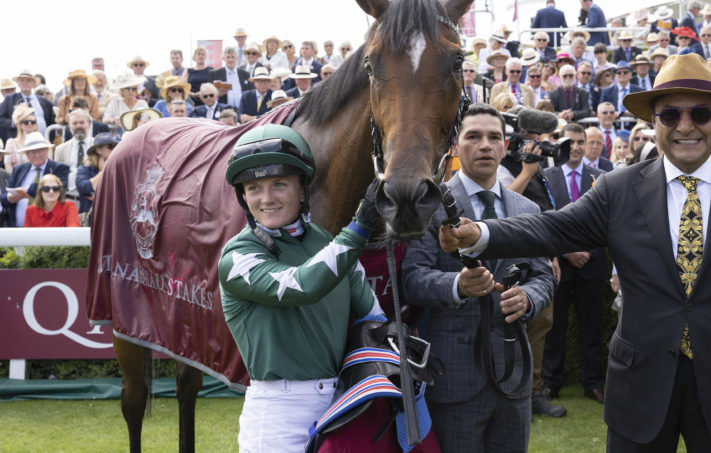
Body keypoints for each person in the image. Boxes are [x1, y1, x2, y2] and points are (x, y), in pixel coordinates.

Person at [438, 54, 711, 452]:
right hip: (642, 385)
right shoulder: (619, 189)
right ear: (653, 120)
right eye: (669, 116)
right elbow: (552, 227)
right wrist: (481, 232)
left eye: (699, 113)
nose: (685, 126)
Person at [218, 124, 384, 451]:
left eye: (279, 184)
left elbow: (373, 317)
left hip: (344, 402)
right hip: (278, 414)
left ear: (303, 189)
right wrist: (360, 226)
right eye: (253, 187)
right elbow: (300, 286)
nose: (266, 199)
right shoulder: (236, 256)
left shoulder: (328, 243)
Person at [401, 104, 554, 452]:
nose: (484, 145)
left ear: (504, 147)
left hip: (514, 374)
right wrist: (457, 286)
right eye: (473, 136)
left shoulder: (528, 210)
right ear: (456, 146)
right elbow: (412, 278)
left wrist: (529, 297)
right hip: (453, 377)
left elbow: (544, 277)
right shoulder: (430, 205)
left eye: (494, 137)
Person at [540, 123, 607, 404]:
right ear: (560, 144)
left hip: (592, 262)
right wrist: (567, 252)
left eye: (581, 142)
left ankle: (592, 383)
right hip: (559, 264)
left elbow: (606, 219)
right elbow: (543, 218)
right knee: (554, 327)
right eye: (571, 142)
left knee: (592, 326)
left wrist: (586, 250)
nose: (576, 147)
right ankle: (551, 382)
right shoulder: (545, 176)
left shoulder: (601, 177)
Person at [0, 131, 69, 228]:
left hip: (47, 228)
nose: (37, 155)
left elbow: (60, 188)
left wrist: (27, 190)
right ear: (27, 154)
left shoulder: (59, 168)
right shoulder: (19, 170)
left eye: (40, 151)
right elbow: (3, 197)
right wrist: (9, 198)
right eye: (33, 152)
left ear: (46, 151)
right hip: (17, 229)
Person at [0, 70, 56, 144]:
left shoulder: (45, 102)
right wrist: (13, 123)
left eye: (29, 80)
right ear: (18, 83)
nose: (25, 83)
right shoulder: (10, 99)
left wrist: (49, 139)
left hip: (42, 141)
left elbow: (52, 121)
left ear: (34, 84)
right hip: (19, 143)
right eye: (22, 80)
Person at [76, 132, 119, 221]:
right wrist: (103, 172)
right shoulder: (85, 169)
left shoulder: (119, 167)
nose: (114, 149)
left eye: (115, 146)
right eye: (110, 146)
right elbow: (84, 188)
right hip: (91, 216)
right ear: (98, 150)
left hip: (114, 215)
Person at [53, 109, 93, 199]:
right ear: (69, 126)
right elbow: (56, 177)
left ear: (89, 124)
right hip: (69, 199)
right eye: (74, 123)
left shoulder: (97, 146)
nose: (78, 126)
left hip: (93, 199)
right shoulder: (60, 149)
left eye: (82, 122)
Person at [3, 104, 47, 172]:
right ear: (20, 125)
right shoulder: (12, 143)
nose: (30, 124)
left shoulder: (45, 143)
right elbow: (8, 165)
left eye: (33, 122)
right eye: (26, 122)